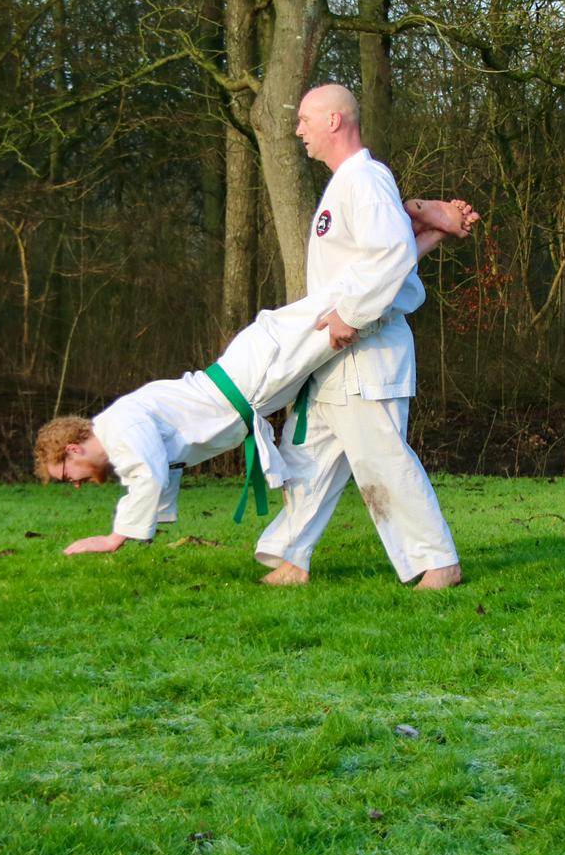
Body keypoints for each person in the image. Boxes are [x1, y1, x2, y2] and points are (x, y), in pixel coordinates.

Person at [34, 197, 477, 557]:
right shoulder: (122, 433)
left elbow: (146, 475)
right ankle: (433, 232)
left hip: (254, 373)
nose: (72, 481)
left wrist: (115, 537)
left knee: (350, 304)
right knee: (354, 304)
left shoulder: (116, 427)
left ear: (73, 447)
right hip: (256, 382)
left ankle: (406, 213)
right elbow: (156, 472)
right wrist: (141, 530)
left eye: (65, 471)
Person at [255, 84, 463, 590]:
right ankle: (292, 557)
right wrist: (433, 232)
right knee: (307, 455)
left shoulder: (365, 179)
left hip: (366, 351)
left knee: (381, 459)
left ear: (334, 121)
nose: (298, 129)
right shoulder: (348, 184)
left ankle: (438, 562)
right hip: (336, 355)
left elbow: (389, 258)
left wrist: (349, 312)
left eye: (305, 119)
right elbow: (385, 257)